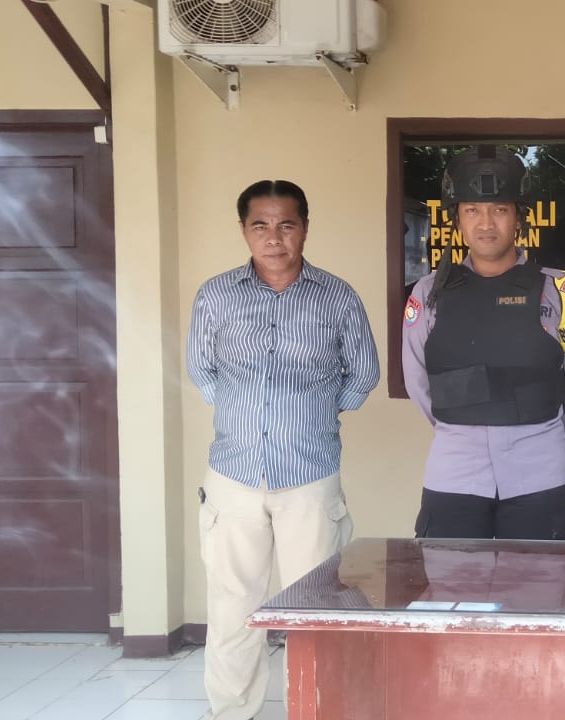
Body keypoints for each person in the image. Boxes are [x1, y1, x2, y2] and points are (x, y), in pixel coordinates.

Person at [187, 179, 381, 720]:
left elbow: (364, 374)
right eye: (261, 226)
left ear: (305, 228)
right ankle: (233, 712)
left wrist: (313, 414)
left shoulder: (337, 296)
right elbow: (202, 371)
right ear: (244, 230)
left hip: (309, 475)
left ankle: (316, 710)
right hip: (234, 475)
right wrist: (249, 418)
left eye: (286, 225)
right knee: (233, 608)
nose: (274, 238)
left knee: (314, 610)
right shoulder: (216, 296)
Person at [402, 145, 565, 540]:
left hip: (538, 471)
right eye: (472, 210)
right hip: (454, 472)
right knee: (449, 579)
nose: (486, 223)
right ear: (457, 219)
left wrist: (556, 447)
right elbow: (418, 381)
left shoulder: (562, 290)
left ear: (519, 218)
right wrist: (462, 428)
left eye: (500, 210)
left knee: (538, 579)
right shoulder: (427, 293)